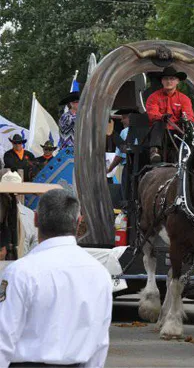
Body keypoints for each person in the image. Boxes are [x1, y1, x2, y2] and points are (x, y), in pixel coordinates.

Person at [0, 189, 113, 367]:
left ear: (36, 219)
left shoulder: (20, 272)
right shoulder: (99, 274)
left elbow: (3, 337)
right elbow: (99, 341)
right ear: (78, 222)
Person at [146, 66, 194, 163]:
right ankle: (154, 151)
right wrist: (162, 117)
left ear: (177, 81)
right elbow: (152, 113)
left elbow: (189, 115)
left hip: (178, 131)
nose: (169, 81)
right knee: (158, 122)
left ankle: (190, 154)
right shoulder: (153, 97)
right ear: (162, 81)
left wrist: (184, 119)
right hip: (160, 132)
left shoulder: (184, 99)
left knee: (189, 127)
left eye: (172, 79)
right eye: (166, 79)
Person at [106, 109, 137, 202]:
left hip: (129, 167)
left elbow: (120, 156)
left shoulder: (125, 131)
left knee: (126, 195)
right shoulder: (144, 130)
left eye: (124, 118)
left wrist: (109, 169)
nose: (121, 120)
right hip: (142, 167)